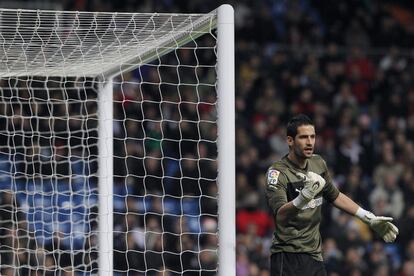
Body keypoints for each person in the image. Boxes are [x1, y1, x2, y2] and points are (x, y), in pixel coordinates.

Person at [265, 114, 399, 276]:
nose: (309, 142)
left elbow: (335, 196)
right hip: (287, 256)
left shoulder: (318, 163)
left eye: (312, 137)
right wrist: (304, 197)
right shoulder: (277, 172)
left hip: (315, 255)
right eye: (303, 137)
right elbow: (280, 216)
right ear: (290, 141)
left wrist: (368, 217)